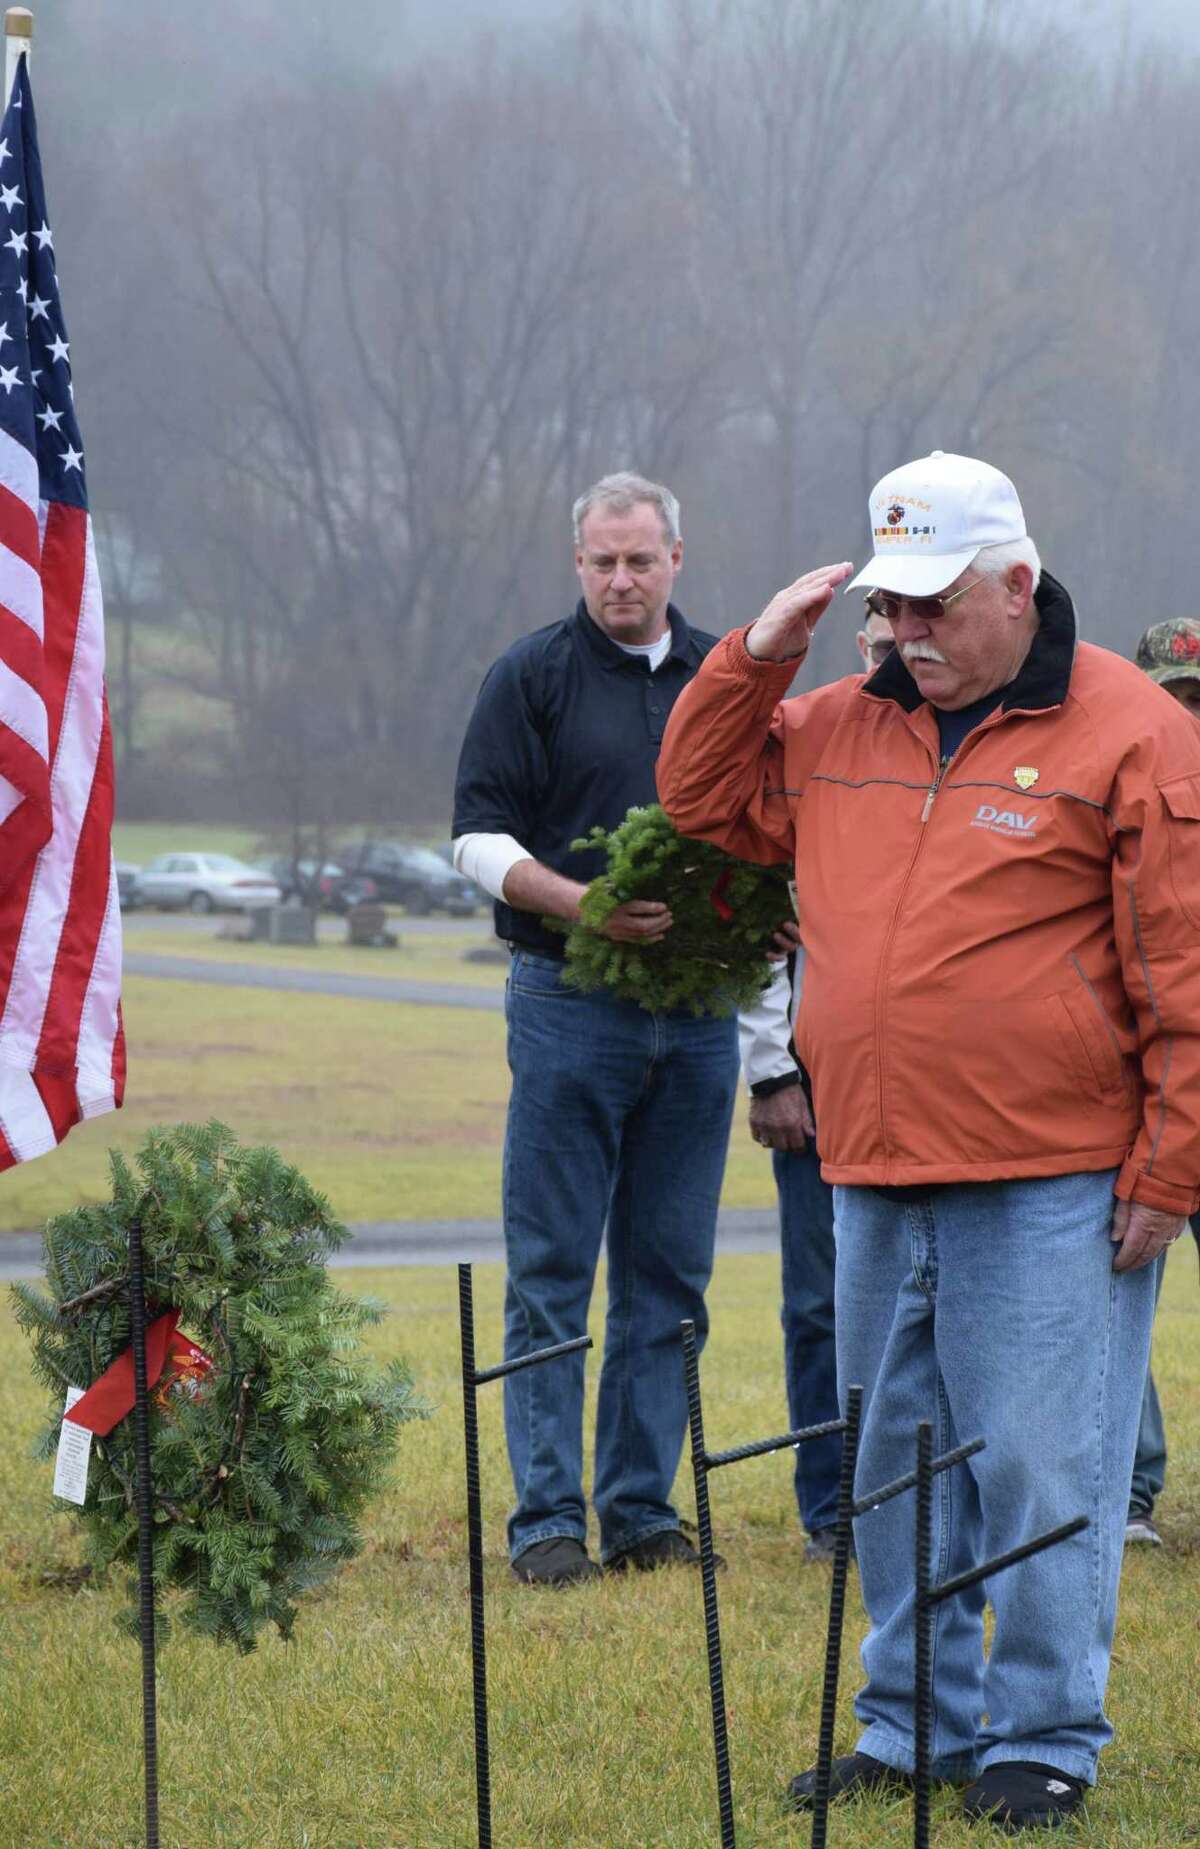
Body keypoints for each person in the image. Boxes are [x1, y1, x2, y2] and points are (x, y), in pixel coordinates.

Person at [657, 450, 1200, 1831]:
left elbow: (1185, 971)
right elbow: (701, 800)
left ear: (1017, 584)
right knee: (893, 1458)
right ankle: (911, 1727)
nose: (906, 636)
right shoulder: (837, 720)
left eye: (934, 609)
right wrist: (755, 653)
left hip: (1056, 1176)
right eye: (887, 609)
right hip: (875, 1166)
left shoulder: (1132, 731)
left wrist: (1171, 1165)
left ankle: (1044, 1737)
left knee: (1038, 1457)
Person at [451, 471, 740, 1587]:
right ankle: (547, 1524)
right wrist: (579, 903)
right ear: (578, 564)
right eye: (601, 561)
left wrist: (762, 915)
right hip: (567, 1003)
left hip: (700, 1015)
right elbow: (475, 836)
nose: (621, 578)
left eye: (640, 558)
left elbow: (767, 821)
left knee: (669, 1273)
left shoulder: (728, 675)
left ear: (677, 556)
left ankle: (642, 1511)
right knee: (554, 1270)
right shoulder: (529, 676)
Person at [735, 598, 896, 1560]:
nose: (895, 661)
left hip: (921, 1082)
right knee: (818, 1303)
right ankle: (831, 1505)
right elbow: (760, 925)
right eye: (879, 644)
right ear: (859, 647)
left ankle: (920, 1496)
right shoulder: (818, 749)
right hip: (815, 1079)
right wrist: (770, 1071)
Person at [1124, 616, 1200, 1545]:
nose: (1184, 712)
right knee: (1124, 1280)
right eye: (1169, 694)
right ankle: (1129, 1490)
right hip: (1151, 1084)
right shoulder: (1123, 791)